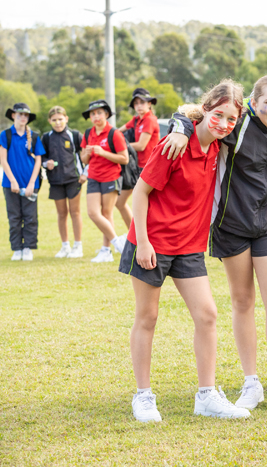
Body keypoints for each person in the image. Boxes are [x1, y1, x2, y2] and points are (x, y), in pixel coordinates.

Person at [160, 75, 267, 414]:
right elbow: (191, 112)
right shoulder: (236, 123)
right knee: (243, 301)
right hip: (231, 226)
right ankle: (251, 383)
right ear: (254, 101)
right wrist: (179, 128)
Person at [121, 79, 251, 422]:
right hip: (152, 242)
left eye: (232, 119)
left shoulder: (219, 147)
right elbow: (140, 193)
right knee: (147, 317)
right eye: (218, 115)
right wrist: (143, 242)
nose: (224, 124)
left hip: (189, 246)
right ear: (205, 110)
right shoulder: (175, 143)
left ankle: (206, 396)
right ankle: (143, 396)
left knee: (207, 315)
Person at [80, 100, 129, 262]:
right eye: (93, 114)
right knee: (93, 212)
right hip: (93, 177)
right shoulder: (88, 133)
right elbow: (84, 159)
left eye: (99, 113)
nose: (96, 116)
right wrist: (87, 154)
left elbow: (124, 159)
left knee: (107, 213)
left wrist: (102, 152)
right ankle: (117, 242)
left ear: (106, 114)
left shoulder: (114, 133)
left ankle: (106, 250)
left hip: (111, 177)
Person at [1, 103, 45, 261]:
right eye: (20, 114)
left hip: (30, 184)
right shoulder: (5, 135)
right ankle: (17, 248)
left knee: (30, 217)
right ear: (13, 115)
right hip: (10, 184)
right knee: (14, 217)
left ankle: (28, 248)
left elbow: (38, 161)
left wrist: (32, 183)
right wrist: (13, 181)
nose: (23, 117)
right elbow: (3, 160)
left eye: (26, 115)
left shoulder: (34, 136)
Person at [42, 106, 86, 258]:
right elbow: (42, 158)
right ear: (49, 121)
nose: (58, 123)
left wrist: (85, 173)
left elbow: (86, 155)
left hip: (74, 179)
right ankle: (65, 246)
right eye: (54, 120)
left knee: (75, 212)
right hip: (55, 181)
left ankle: (78, 246)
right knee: (61, 214)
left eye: (60, 119)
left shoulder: (75, 135)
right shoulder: (46, 138)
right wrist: (46, 163)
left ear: (66, 119)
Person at [115, 88, 160, 229]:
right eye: (136, 103)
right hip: (135, 168)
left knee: (146, 208)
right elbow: (116, 133)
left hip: (149, 168)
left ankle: (144, 237)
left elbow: (141, 145)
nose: (139, 106)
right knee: (120, 203)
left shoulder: (150, 120)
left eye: (142, 102)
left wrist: (119, 147)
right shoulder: (136, 120)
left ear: (149, 104)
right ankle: (134, 236)